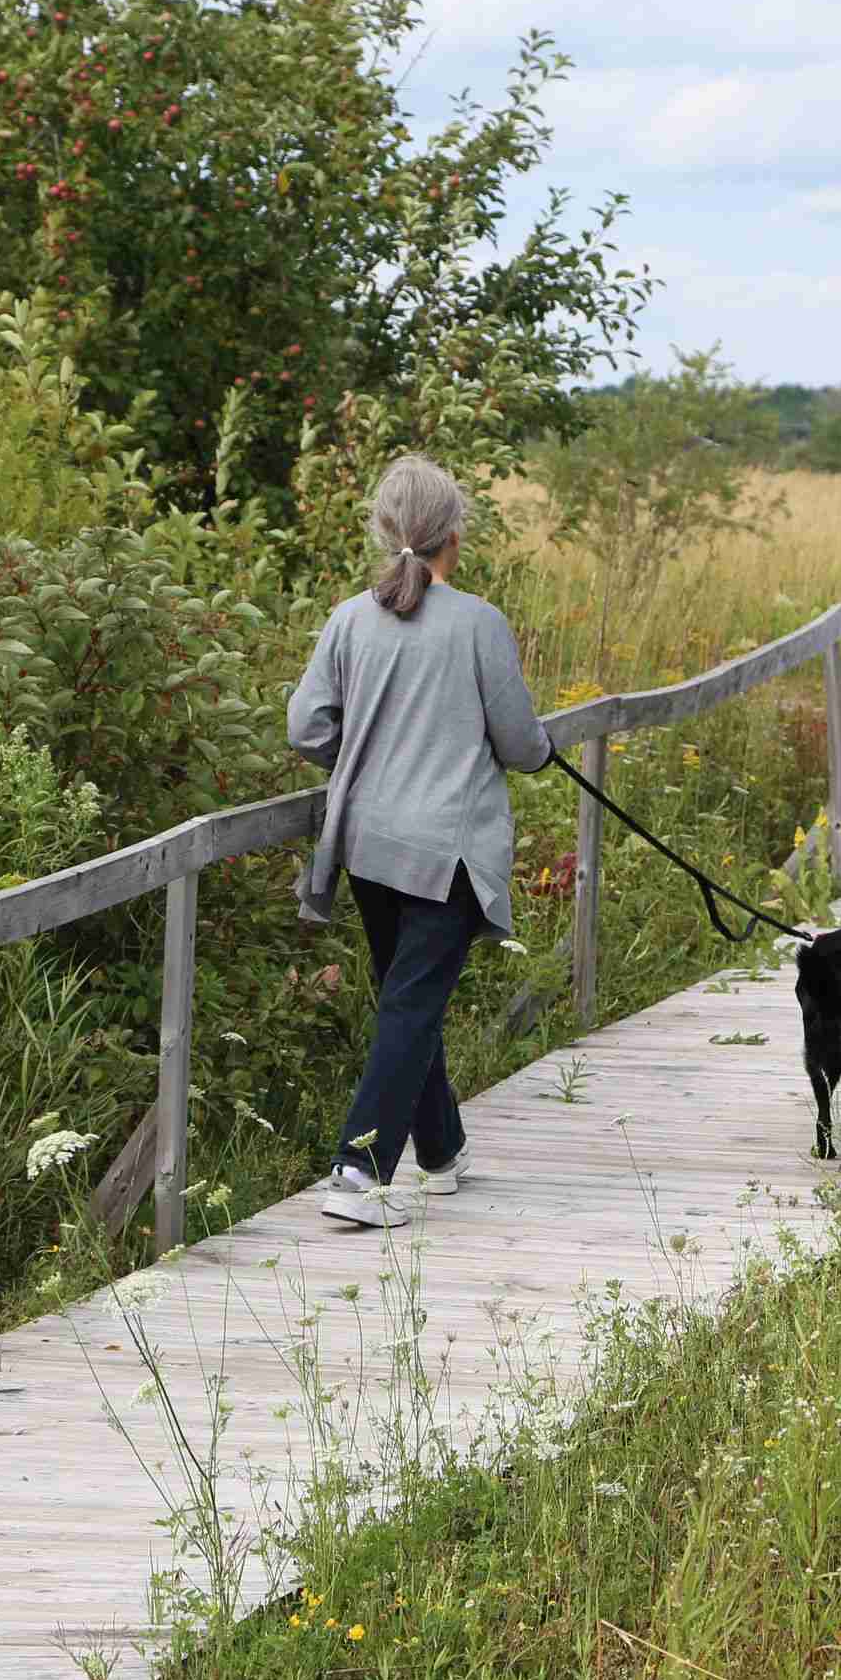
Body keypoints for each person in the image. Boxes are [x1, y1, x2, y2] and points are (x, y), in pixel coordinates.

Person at [288, 455, 553, 1228]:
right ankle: (359, 1169)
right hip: (448, 848)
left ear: (384, 529)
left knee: (409, 999)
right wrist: (536, 747)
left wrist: (369, 752)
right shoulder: (478, 623)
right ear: (454, 535)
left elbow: (307, 726)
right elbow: (520, 742)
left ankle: (439, 1153)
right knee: (411, 1004)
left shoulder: (347, 619)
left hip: (369, 843)